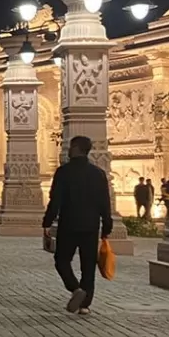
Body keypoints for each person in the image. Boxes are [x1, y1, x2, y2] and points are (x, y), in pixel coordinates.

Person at [43, 134, 113, 317]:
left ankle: (75, 289)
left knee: (61, 260)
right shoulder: (98, 174)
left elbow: (55, 200)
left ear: (74, 149)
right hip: (91, 226)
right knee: (88, 265)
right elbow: (105, 203)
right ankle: (85, 305)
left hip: (69, 224)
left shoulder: (64, 172)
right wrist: (107, 226)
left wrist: (47, 222)